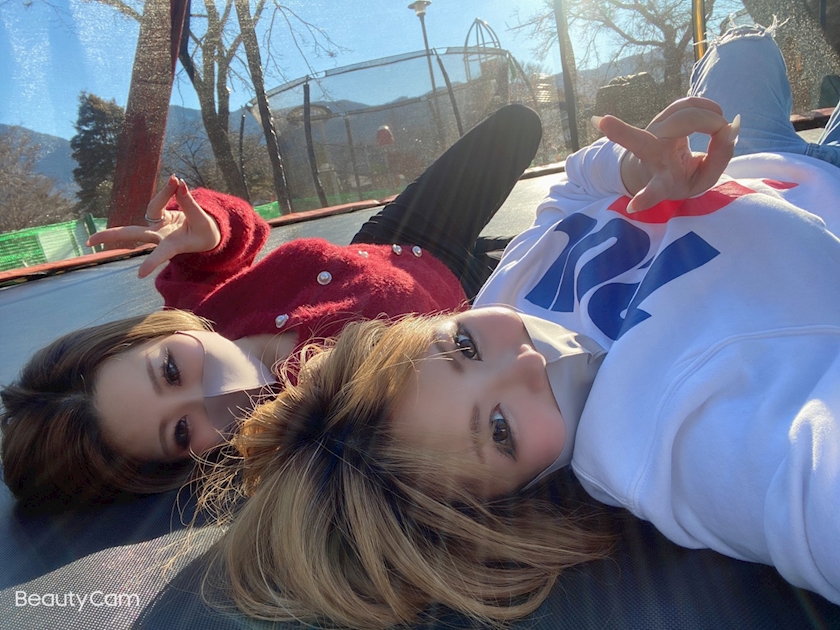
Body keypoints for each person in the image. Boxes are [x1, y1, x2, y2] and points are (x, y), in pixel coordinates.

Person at [201, 24, 840, 629]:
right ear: (506, 504)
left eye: (465, 345)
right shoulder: (657, 448)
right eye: (500, 428)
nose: (527, 361)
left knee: (745, 47)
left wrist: (636, 168)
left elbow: (571, 191)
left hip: (742, 156)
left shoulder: (504, 292)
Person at [0, 104, 543, 512]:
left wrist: (204, 229)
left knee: (516, 127)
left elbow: (234, 234)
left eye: (171, 371)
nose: (211, 396)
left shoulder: (205, 304)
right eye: (182, 431)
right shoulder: (305, 424)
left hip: (398, 238)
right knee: (559, 249)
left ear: (157, 333)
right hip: (470, 296)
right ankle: (498, 251)